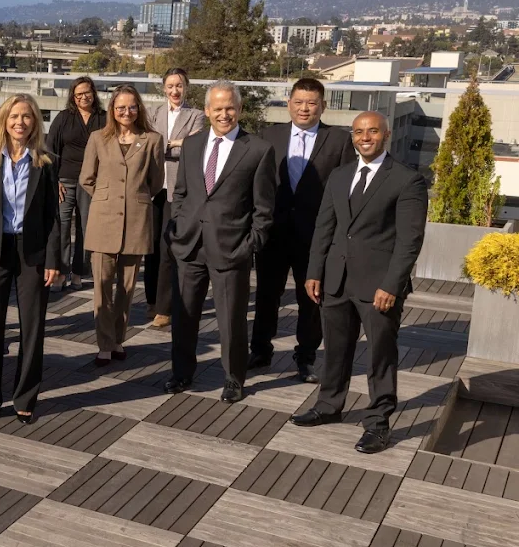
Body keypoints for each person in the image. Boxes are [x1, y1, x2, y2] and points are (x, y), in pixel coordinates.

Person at [293, 111, 427, 454]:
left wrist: (392, 285)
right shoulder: (339, 175)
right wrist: (314, 271)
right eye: (358, 132)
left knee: (380, 355)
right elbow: (325, 227)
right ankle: (328, 406)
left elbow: (409, 241)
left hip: (379, 286)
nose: (365, 137)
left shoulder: (407, 180)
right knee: (335, 349)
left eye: (372, 131)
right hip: (336, 280)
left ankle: (378, 424)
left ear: (386, 135)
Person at [165, 80, 275, 403]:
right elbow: (181, 192)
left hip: (231, 249)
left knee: (231, 320)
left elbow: (264, 209)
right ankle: (182, 373)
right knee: (184, 316)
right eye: (218, 108)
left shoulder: (258, 150)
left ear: (239, 109)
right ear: (206, 110)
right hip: (189, 244)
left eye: (230, 108)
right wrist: (177, 228)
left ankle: (233, 379)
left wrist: (249, 245)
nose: (224, 114)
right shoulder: (192, 144)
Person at [250, 77, 355, 381]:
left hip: (315, 235)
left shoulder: (339, 141)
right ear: (289, 104)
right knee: (267, 294)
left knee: (311, 298)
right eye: (298, 102)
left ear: (323, 106)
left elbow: (346, 190)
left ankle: (306, 357)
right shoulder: (269, 136)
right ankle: (260, 350)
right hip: (273, 231)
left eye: (311, 103)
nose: (304, 108)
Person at [0, 95, 61, 424]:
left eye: (27, 116)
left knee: (32, 327)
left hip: (32, 251)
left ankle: (25, 397)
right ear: (4, 121)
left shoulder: (46, 162)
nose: (20, 122)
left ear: (35, 122)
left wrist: (54, 259)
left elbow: (52, 216)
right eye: (14, 116)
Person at [79, 86, 164, 367]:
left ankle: (118, 340)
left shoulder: (152, 140)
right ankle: (104, 343)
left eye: (131, 107)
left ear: (139, 108)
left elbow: (155, 182)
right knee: (102, 286)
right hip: (103, 219)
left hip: (136, 220)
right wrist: (107, 197)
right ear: (112, 111)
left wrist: (132, 198)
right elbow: (86, 178)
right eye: (120, 108)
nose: (126, 112)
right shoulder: (98, 138)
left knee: (127, 288)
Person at [144, 68, 206, 328]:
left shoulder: (196, 115)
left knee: (167, 246)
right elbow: (148, 143)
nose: (175, 90)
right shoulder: (154, 113)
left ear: (186, 87)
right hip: (153, 187)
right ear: (164, 88)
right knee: (150, 246)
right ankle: (151, 300)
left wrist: (169, 145)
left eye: (179, 85)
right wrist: (177, 143)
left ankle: (164, 307)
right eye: (170, 86)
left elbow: (194, 146)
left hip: (177, 188)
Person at [46, 76, 105, 291]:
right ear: (73, 96)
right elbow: (50, 150)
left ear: (93, 93)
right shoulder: (64, 118)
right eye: (78, 94)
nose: (83, 97)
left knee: (86, 227)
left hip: (92, 182)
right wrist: (54, 181)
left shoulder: (104, 118)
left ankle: (79, 272)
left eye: (86, 92)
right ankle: (61, 272)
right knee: (61, 226)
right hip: (65, 180)